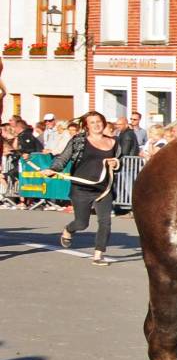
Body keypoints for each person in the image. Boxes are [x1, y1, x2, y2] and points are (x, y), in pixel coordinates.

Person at [46, 112, 131, 265]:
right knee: (82, 223)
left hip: (103, 189)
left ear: (104, 123)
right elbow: (63, 158)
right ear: (86, 125)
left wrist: (116, 164)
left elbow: (120, 163)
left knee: (105, 222)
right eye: (92, 122)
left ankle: (98, 255)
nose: (96, 125)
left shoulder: (114, 142)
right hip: (81, 188)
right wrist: (53, 169)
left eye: (99, 121)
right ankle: (69, 230)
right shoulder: (79, 141)